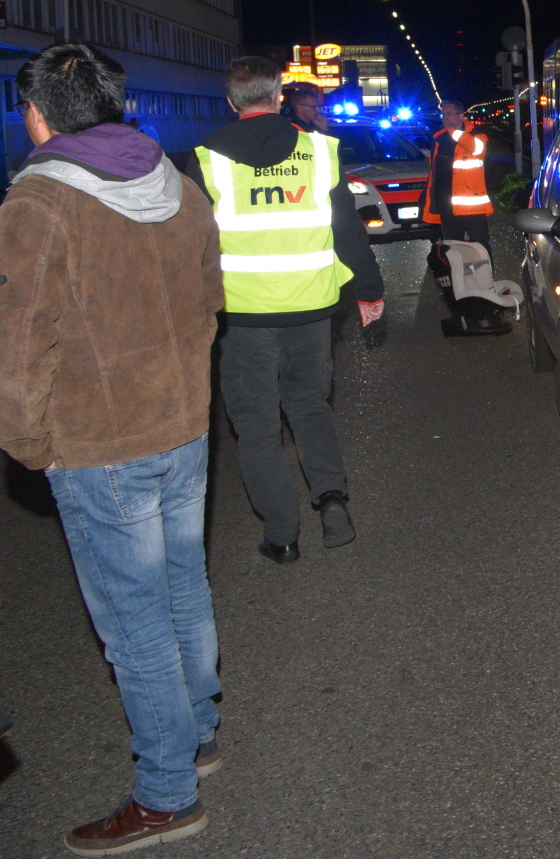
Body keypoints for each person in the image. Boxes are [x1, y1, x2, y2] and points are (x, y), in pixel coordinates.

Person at [0, 43, 226, 853]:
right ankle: (197, 738)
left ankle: (166, 793)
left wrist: (30, 443)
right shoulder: (176, 183)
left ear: (36, 116)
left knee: (134, 626)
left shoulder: (38, 203)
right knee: (182, 590)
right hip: (184, 424)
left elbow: (18, 338)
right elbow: (211, 299)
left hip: (99, 441)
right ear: (114, 103)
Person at [180, 56, 384, 564]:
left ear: (230, 102)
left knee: (257, 426)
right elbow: (346, 229)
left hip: (242, 317)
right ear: (278, 97)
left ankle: (283, 534)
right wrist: (369, 290)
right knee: (310, 407)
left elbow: (191, 247)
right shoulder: (318, 150)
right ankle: (332, 500)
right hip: (311, 308)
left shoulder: (205, 159)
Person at [425, 99, 493, 253]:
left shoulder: (477, 134)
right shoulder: (439, 138)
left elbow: (476, 149)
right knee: (452, 248)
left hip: (472, 206)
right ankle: (457, 276)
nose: (445, 117)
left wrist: (453, 131)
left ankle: (484, 276)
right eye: (443, 114)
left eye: (449, 113)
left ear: (461, 116)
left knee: (480, 246)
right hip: (447, 205)